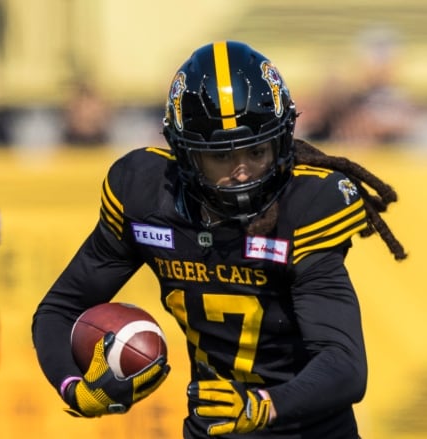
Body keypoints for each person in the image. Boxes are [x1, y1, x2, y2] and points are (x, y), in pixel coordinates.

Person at [32, 40, 407, 438]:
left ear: (282, 142)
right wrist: (74, 388)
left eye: (256, 151)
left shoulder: (306, 205)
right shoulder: (146, 193)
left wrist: (263, 406)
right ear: (186, 154)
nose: (242, 171)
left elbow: (345, 365)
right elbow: (60, 307)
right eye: (221, 157)